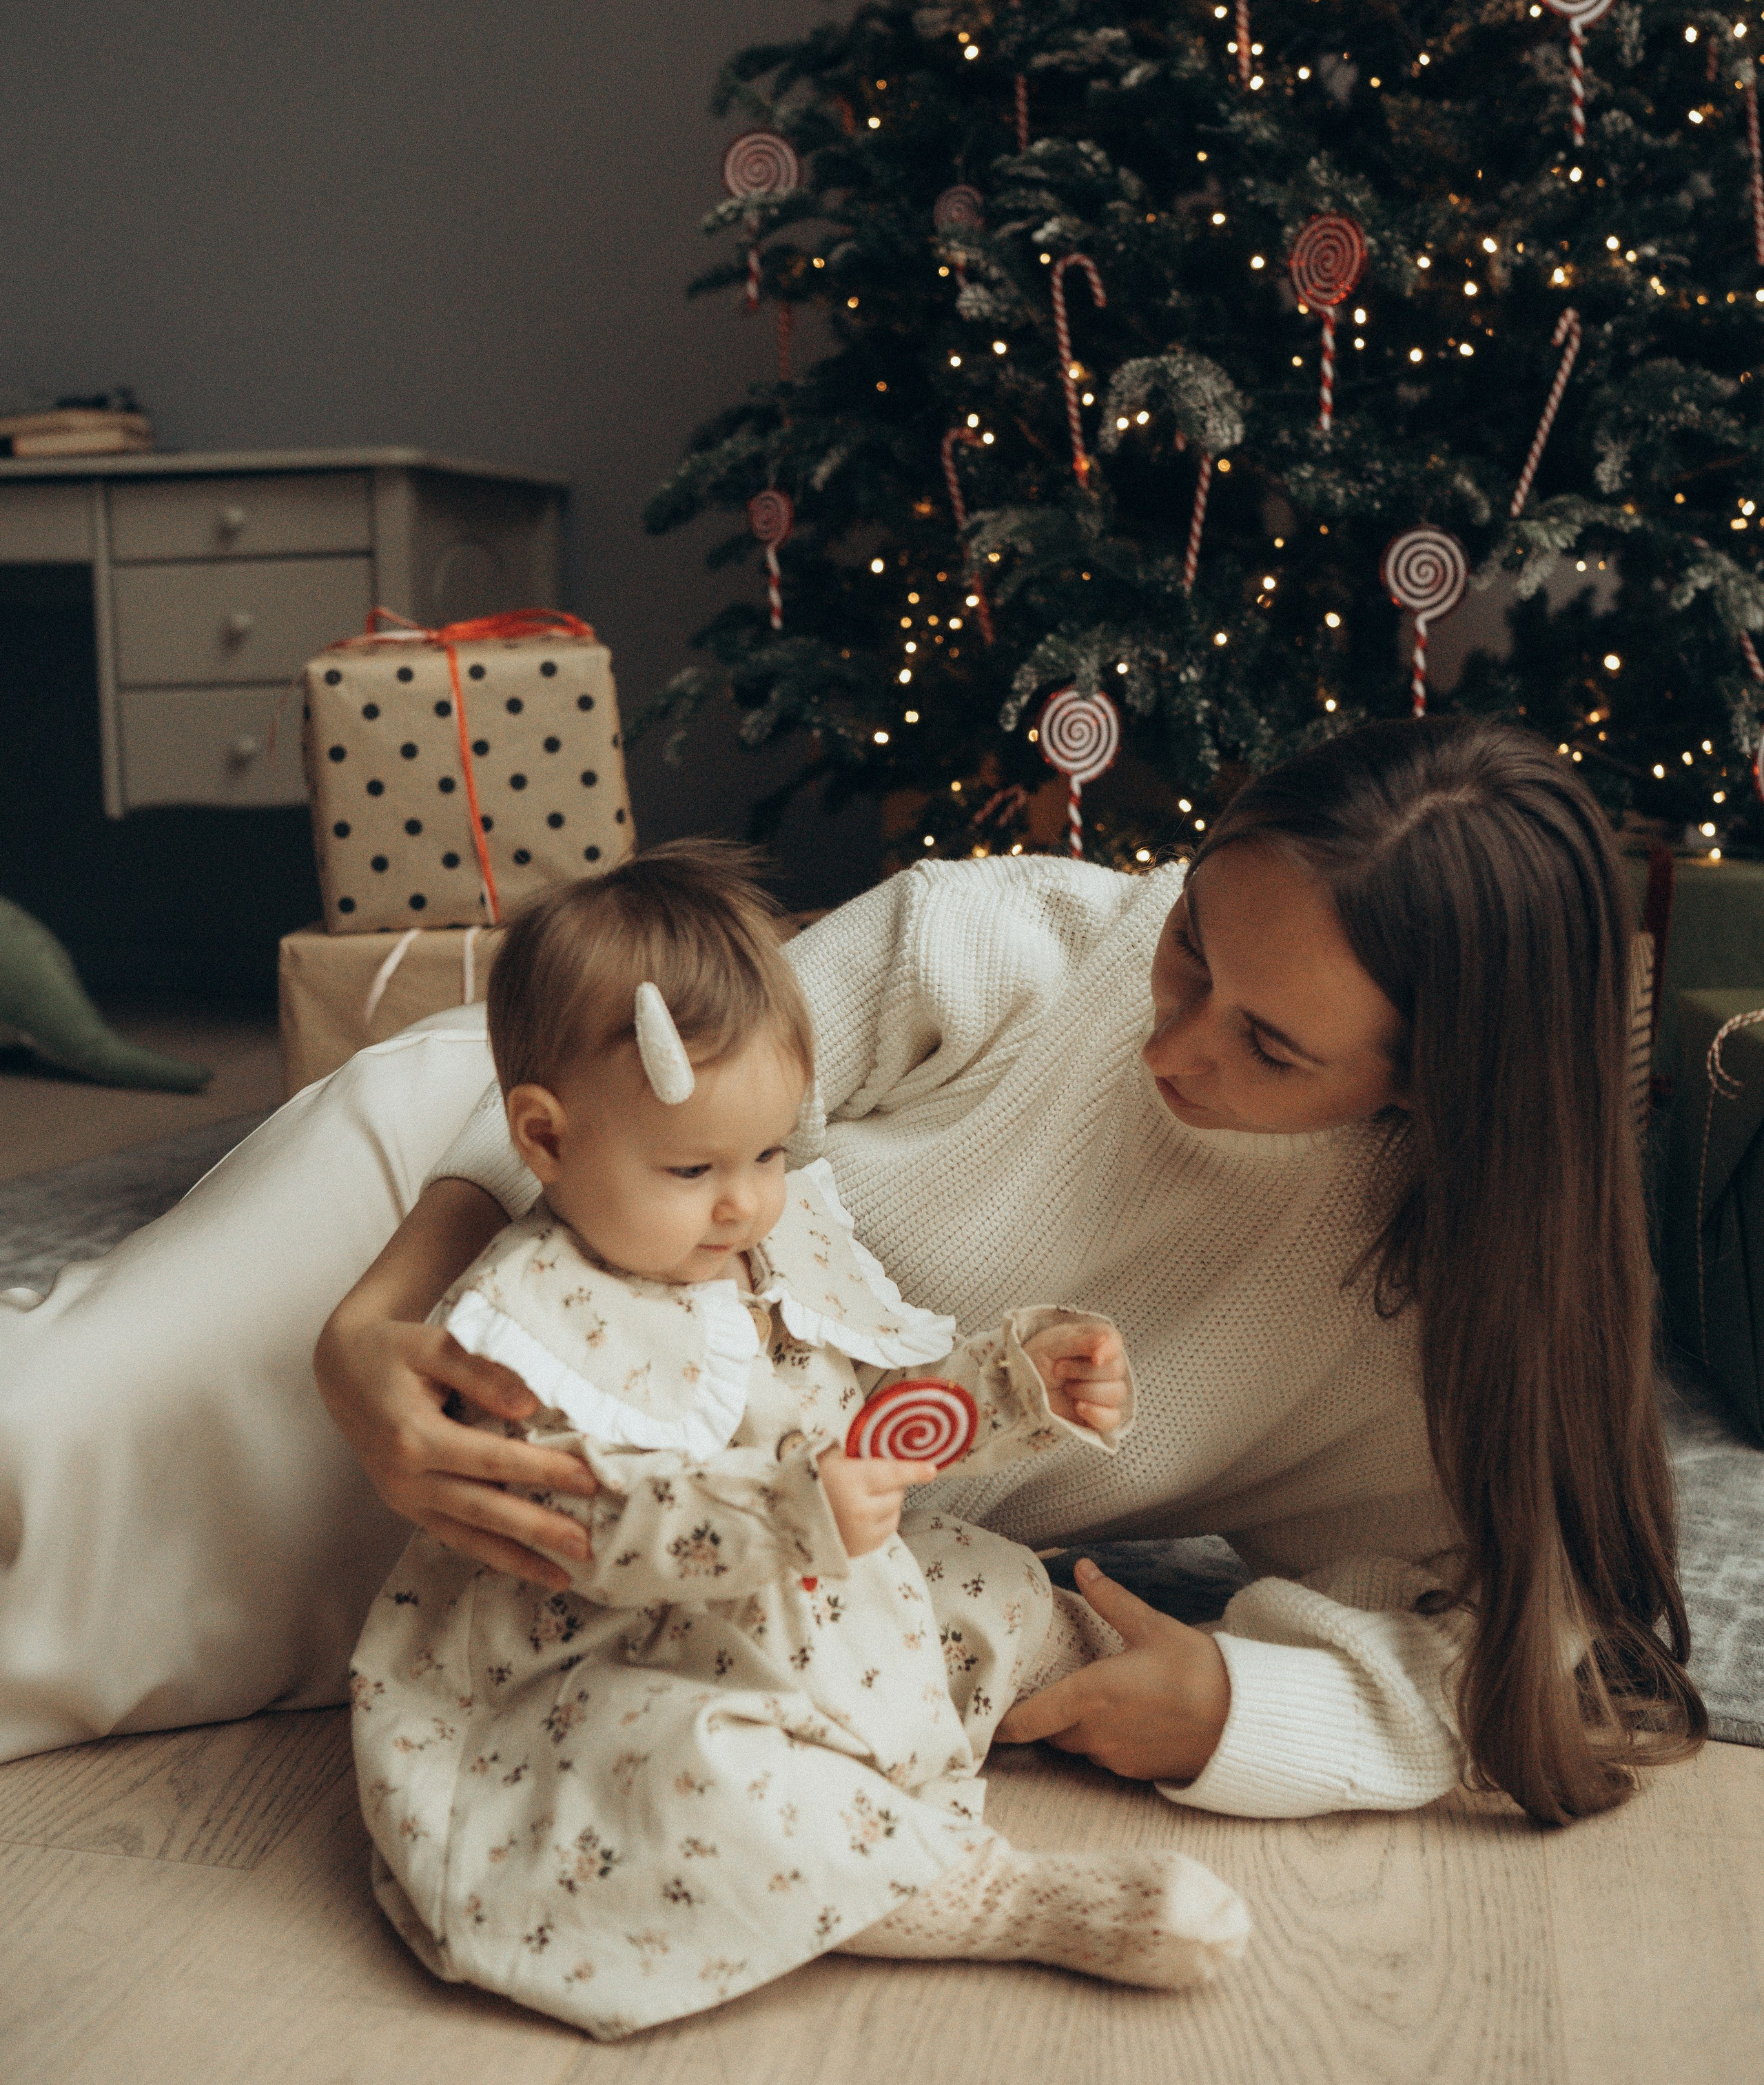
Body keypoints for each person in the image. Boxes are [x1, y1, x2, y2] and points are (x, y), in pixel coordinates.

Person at [0, 717, 1703, 1827]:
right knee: (46, 1445)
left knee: (135, 1653)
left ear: (1433, 1086)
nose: (1170, 1043)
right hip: (471, 1186)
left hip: (667, 1520)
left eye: (1269, 1046)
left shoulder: (1421, 1323)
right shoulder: (1007, 941)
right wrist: (373, 1320)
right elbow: (614, 1087)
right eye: (1189, 941)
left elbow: (1541, 1654)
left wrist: (1243, 1709)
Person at [356, 849, 1249, 2035]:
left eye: (770, 1154)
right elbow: (582, 1525)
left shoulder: (763, 1247)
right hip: (620, 1650)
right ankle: (985, 1894)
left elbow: (878, 1414)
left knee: (980, 1577)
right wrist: (786, 1512)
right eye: (693, 1168)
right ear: (546, 1139)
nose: (745, 1202)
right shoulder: (526, 1330)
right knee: (686, 1774)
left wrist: (1013, 1383)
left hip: (812, 1598)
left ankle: (1077, 1671)